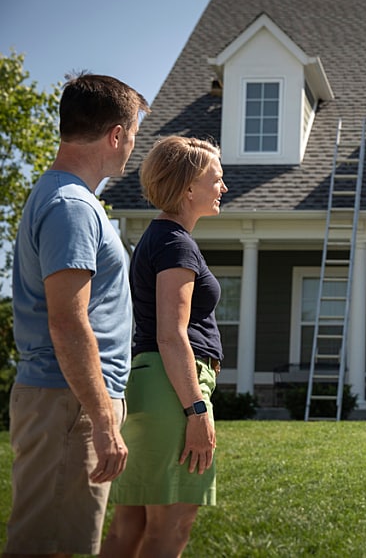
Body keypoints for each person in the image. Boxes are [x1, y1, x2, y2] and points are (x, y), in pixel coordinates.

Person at [5, 74, 148, 557]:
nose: (132, 146)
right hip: (70, 404)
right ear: (115, 135)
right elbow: (68, 322)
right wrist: (104, 420)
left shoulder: (66, 197)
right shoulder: (72, 206)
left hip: (71, 402)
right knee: (47, 548)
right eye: (132, 135)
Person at [101, 136, 227, 556]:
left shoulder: (159, 238)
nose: (222, 188)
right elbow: (171, 334)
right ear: (189, 188)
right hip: (172, 393)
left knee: (130, 527)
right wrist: (197, 408)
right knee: (171, 528)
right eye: (216, 179)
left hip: (153, 385)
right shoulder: (176, 244)